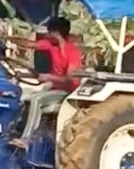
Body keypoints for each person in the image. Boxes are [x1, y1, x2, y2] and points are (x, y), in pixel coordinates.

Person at [8, 16, 82, 148]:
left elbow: (70, 79)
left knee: (37, 99)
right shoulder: (50, 45)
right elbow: (29, 44)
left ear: (56, 33)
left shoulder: (72, 52)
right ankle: (14, 131)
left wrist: (49, 77)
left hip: (67, 92)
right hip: (54, 88)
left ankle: (25, 139)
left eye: (49, 32)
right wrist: (8, 39)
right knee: (23, 96)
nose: (47, 35)